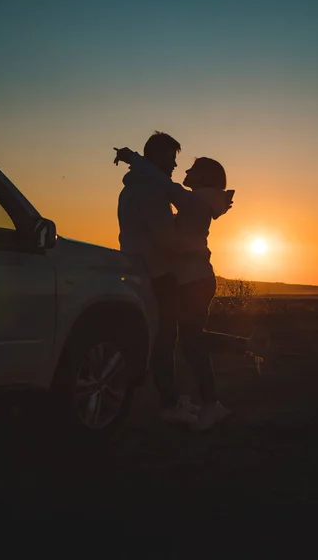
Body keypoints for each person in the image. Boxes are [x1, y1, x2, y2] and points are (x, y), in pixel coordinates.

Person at [115, 144, 270, 431]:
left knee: (191, 343)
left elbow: (166, 186)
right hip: (191, 280)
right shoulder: (198, 200)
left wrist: (134, 158)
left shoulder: (195, 202)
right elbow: (166, 188)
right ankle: (239, 357)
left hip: (194, 280)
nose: (183, 170)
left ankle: (213, 404)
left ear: (204, 179)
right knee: (191, 339)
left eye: (192, 169)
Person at [117, 132, 201, 427]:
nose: (175, 167)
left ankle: (172, 398)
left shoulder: (134, 188)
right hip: (157, 274)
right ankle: (169, 403)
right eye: (171, 159)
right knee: (165, 339)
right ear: (157, 159)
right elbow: (166, 240)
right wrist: (196, 247)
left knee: (164, 337)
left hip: (143, 271)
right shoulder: (149, 192)